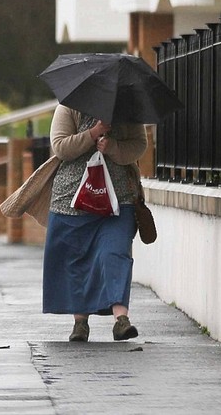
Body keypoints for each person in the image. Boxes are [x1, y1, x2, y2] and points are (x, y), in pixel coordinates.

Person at [43, 104, 147, 342]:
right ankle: (80, 323)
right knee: (77, 260)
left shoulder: (129, 110)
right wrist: (92, 133)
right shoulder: (68, 107)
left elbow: (139, 146)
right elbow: (60, 147)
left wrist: (113, 147)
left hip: (118, 200)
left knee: (116, 253)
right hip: (72, 199)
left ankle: (121, 319)